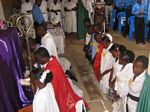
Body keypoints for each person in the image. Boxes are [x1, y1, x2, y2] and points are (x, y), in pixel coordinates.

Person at [34, 47, 88, 112]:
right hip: (63, 84)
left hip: (60, 90)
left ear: (45, 58)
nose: (38, 61)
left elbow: (54, 87)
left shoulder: (51, 69)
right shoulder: (52, 59)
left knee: (63, 106)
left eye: (38, 59)